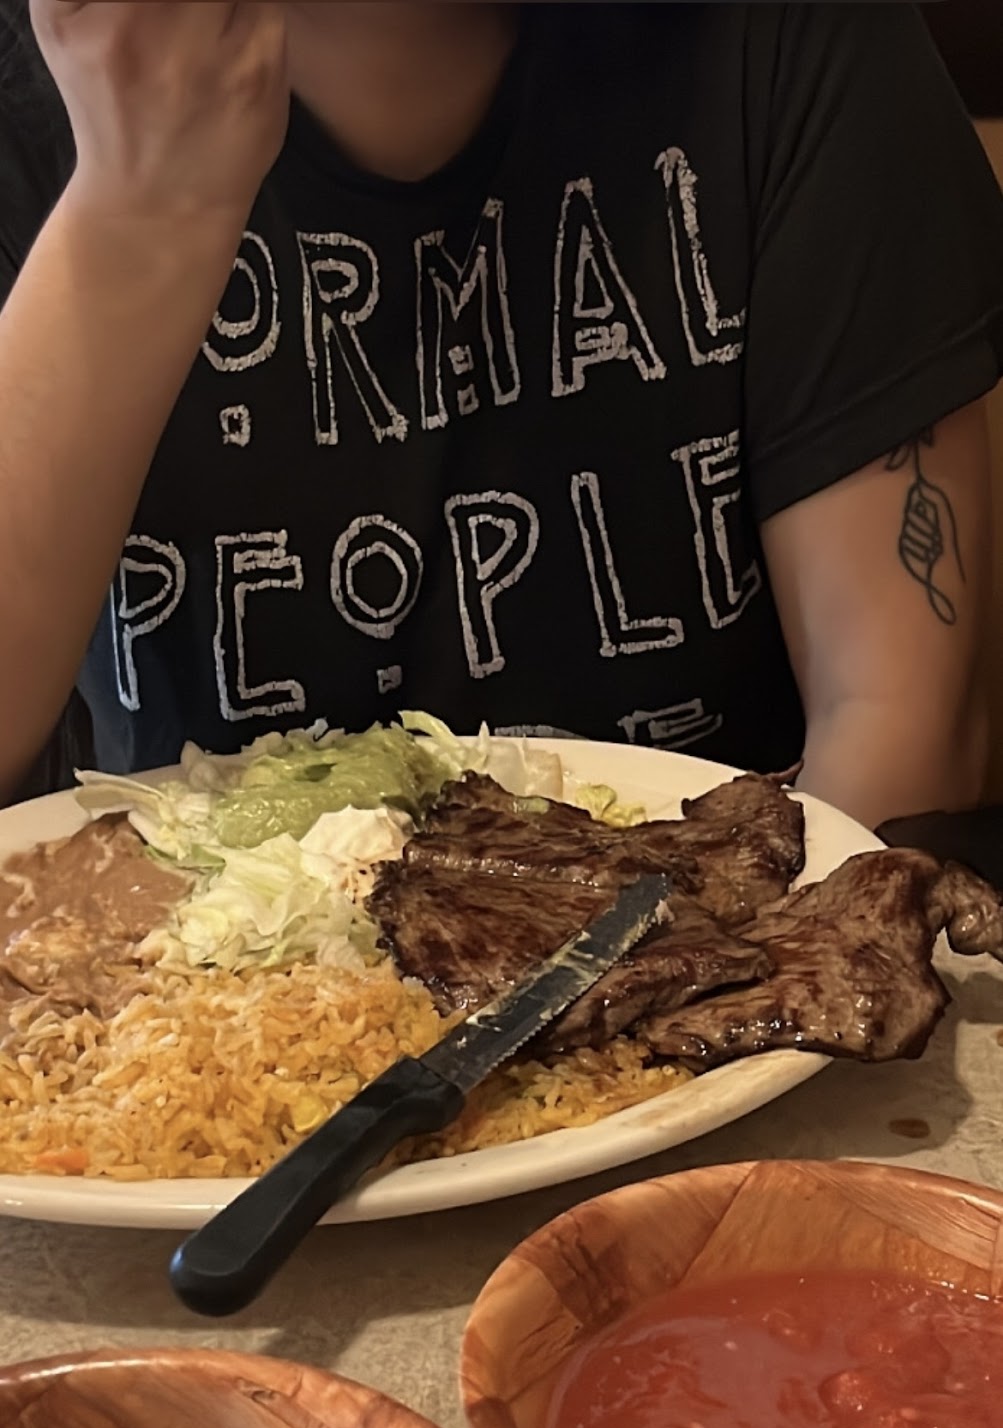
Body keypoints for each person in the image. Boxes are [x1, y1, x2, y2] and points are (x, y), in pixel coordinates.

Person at [0, 2, 1001, 827]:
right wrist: (140, 210)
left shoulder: (793, 39)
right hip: (172, 990)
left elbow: (897, 734)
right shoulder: (30, 102)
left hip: (714, 968)